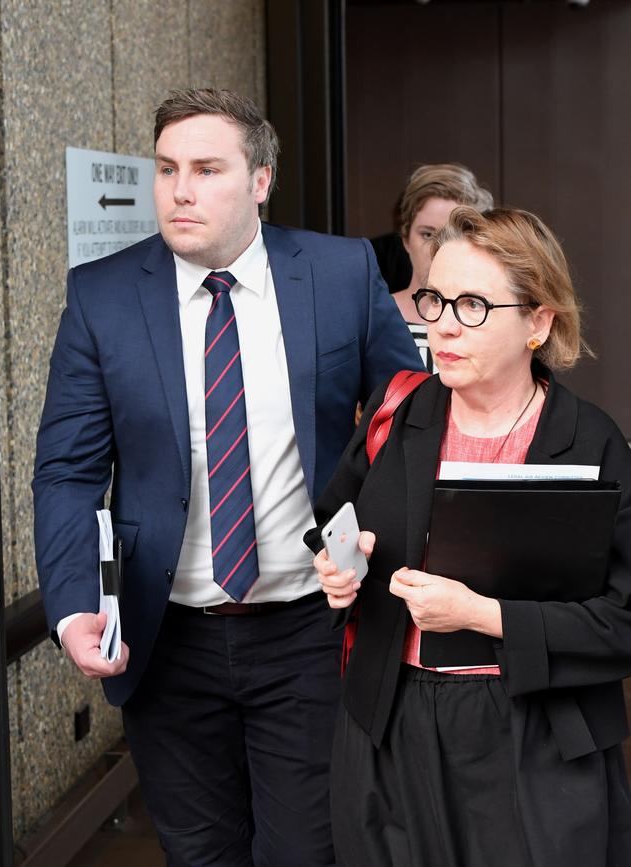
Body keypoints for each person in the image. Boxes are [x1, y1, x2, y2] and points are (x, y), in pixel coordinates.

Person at [32, 88, 423, 866]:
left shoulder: (341, 274)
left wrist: (375, 546)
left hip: (308, 632)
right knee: (201, 852)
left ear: (261, 179)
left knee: (308, 849)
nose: (180, 190)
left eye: (208, 168)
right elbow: (68, 471)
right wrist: (73, 604)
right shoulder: (103, 296)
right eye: (168, 168)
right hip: (166, 636)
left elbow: (406, 427)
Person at [307, 206, 631, 867]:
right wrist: (337, 567)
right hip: (393, 725)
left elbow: (622, 621)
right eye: (437, 298)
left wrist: (481, 615)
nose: (444, 323)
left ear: (538, 321)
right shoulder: (399, 414)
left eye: (475, 305)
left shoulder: (593, 443)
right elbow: (332, 515)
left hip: (536, 733)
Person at [393, 163, 492, 370]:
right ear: (405, 239)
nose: (436, 249)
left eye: (452, 234)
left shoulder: (492, 316)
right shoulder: (375, 316)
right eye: (427, 234)